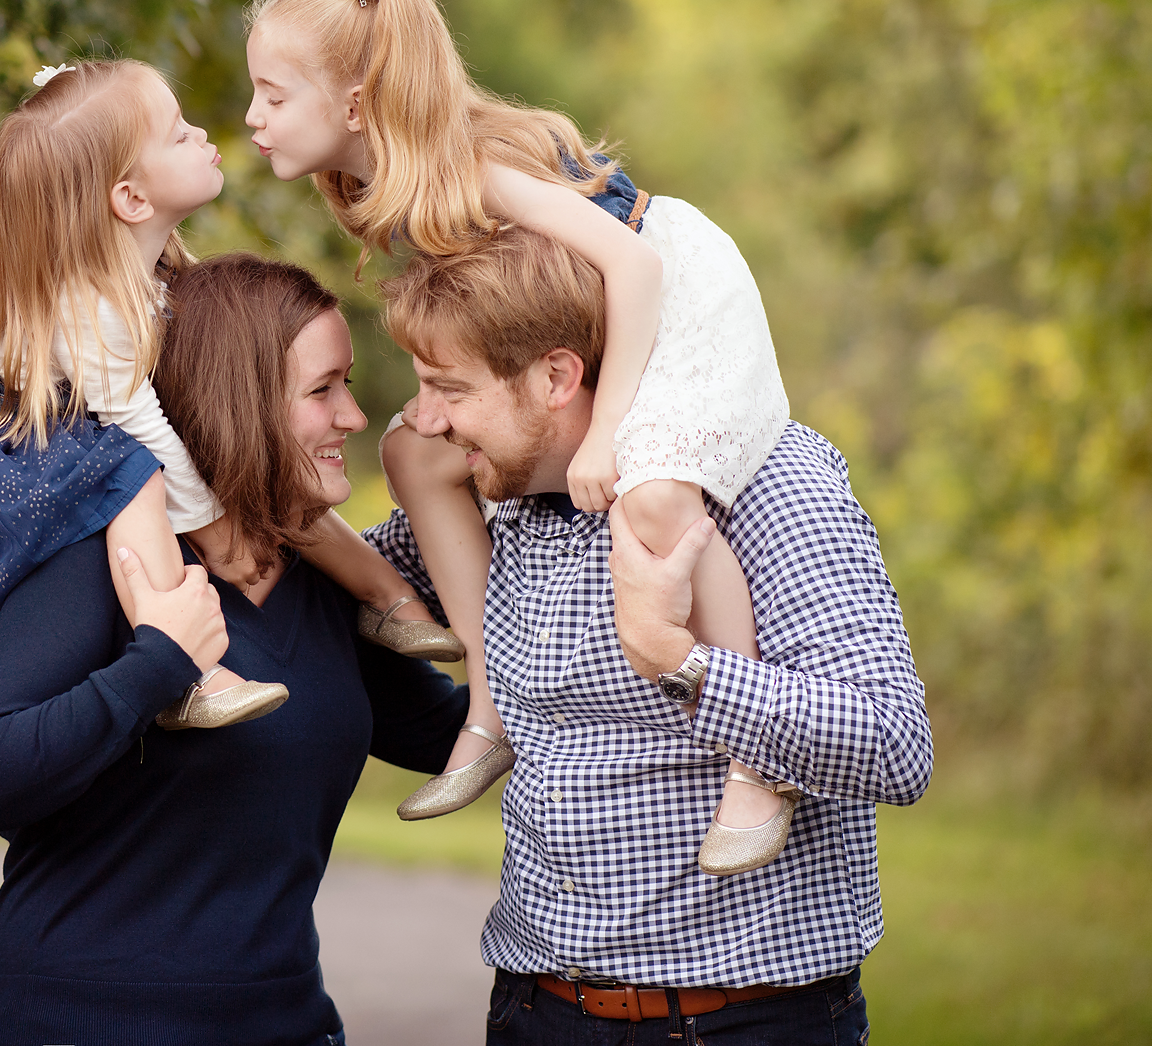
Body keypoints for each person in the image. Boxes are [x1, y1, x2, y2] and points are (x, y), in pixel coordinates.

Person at [246, 0, 796, 872]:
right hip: (592, 320)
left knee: (656, 496)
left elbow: (636, 268)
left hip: (677, 294)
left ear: (354, 104)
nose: (253, 117)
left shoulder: (468, 166)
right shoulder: (388, 186)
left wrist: (613, 427)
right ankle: (490, 710)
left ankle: (761, 759)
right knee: (413, 452)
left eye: (271, 94)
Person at [370, 229, 930, 1043]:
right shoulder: (500, 491)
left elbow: (893, 745)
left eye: (449, 388)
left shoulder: (769, 479)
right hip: (534, 1010)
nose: (426, 418)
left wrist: (679, 661)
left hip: (743, 1023)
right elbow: (329, 595)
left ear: (557, 376)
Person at [0, 253, 469, 1046]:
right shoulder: (105, 564)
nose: (355, 417)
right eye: (323, 390)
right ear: (241, 403)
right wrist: (156, 663)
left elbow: (457, 736)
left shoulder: (324, 588)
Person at [0, 58, 459, 731]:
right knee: (137, 485)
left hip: (106, 438)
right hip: (31, 454)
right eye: (179, 132)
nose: (203, 131)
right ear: (130, 198)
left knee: (265, 470)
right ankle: (189, 669)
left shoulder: (148, 277)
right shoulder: (90, 316)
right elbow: (147, 439)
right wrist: (221, 533)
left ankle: (391, 601)